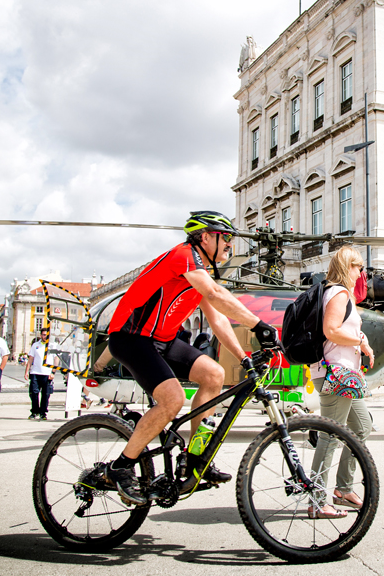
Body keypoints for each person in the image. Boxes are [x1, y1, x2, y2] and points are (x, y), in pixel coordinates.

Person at [104, 211, 278, 505]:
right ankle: (119, 467)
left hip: (163, 340)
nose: (230, 246)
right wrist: (259, 325)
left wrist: (243, 357)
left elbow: (219, 320)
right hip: (131, 337)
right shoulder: (184, 256)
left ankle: (196, 458)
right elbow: (214, 292)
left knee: (214, 375)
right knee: (171, 400)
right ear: (206, 237)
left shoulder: (200, 275)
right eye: (226, 239)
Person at [308, 246, 374, 519]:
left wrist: (363, 342)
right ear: (348, 267)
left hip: (346, 375)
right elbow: (331, 330)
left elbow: (344, 330)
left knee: (361, 427)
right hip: (336, 373)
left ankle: (344, 489)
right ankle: (316, 499)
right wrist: (359, 341)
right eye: (358, 267)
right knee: (330, 436)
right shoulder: (338, 292)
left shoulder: (340, 294)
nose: (361, 273)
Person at [25, 327, 55, 420]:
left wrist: (53, 372)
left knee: (46, 394)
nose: (45, 336)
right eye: (43, 334)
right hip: (35, 372)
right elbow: (31, 358)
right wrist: (27, 371)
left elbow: (56, 359)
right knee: (33, 393)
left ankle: (43, 412)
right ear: (40, 335)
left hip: (47, 373)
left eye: (46, 335)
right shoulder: (35, 345)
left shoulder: (53, 345)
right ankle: (34, 411)